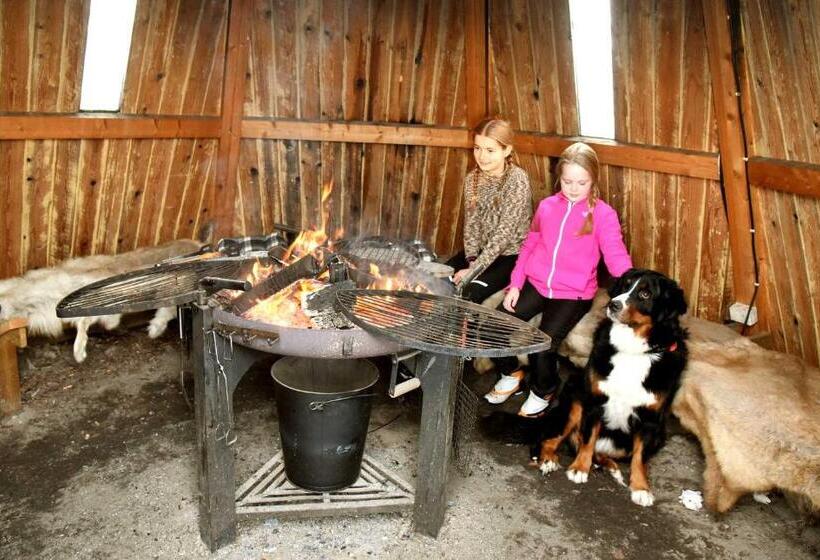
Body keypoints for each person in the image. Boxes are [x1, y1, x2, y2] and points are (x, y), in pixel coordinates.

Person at [484, 142, 633, 417]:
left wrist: (633, 283)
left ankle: (544, 389)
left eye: (581, 182)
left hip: (573, 294)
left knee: (543, 343)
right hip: (537, 284)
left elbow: (616, 256)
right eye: (567, 181)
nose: (574, 188)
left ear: (593, 180)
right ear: (559, 178)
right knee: (494, 324)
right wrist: (516, 283)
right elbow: (529, 246)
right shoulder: (547, 207)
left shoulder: (603, 215)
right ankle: (512, 373)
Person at [446, 118, 532, 303]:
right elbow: (471, 225)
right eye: (478, 148)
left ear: (506, 150)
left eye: (490, 150)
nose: (482, 156)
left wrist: (474, 270)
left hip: (509, 255)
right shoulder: (472, 179)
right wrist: (471, 260)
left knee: (469, 292)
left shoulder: (517, 181)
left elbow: (504, 234)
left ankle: (466, 332)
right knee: (439, 278)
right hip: (479, 252)